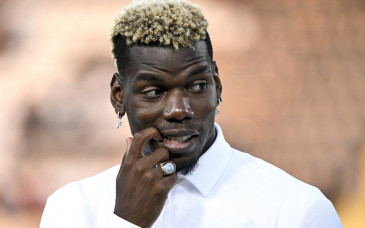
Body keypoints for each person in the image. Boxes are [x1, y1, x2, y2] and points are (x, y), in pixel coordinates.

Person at [40, 0, 343, 227]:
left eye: (197, 85)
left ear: (217, 86)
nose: (178, 110)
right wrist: (128, 221)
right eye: (154, 92)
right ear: (119, 96)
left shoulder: (297, 209)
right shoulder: (71, 209)